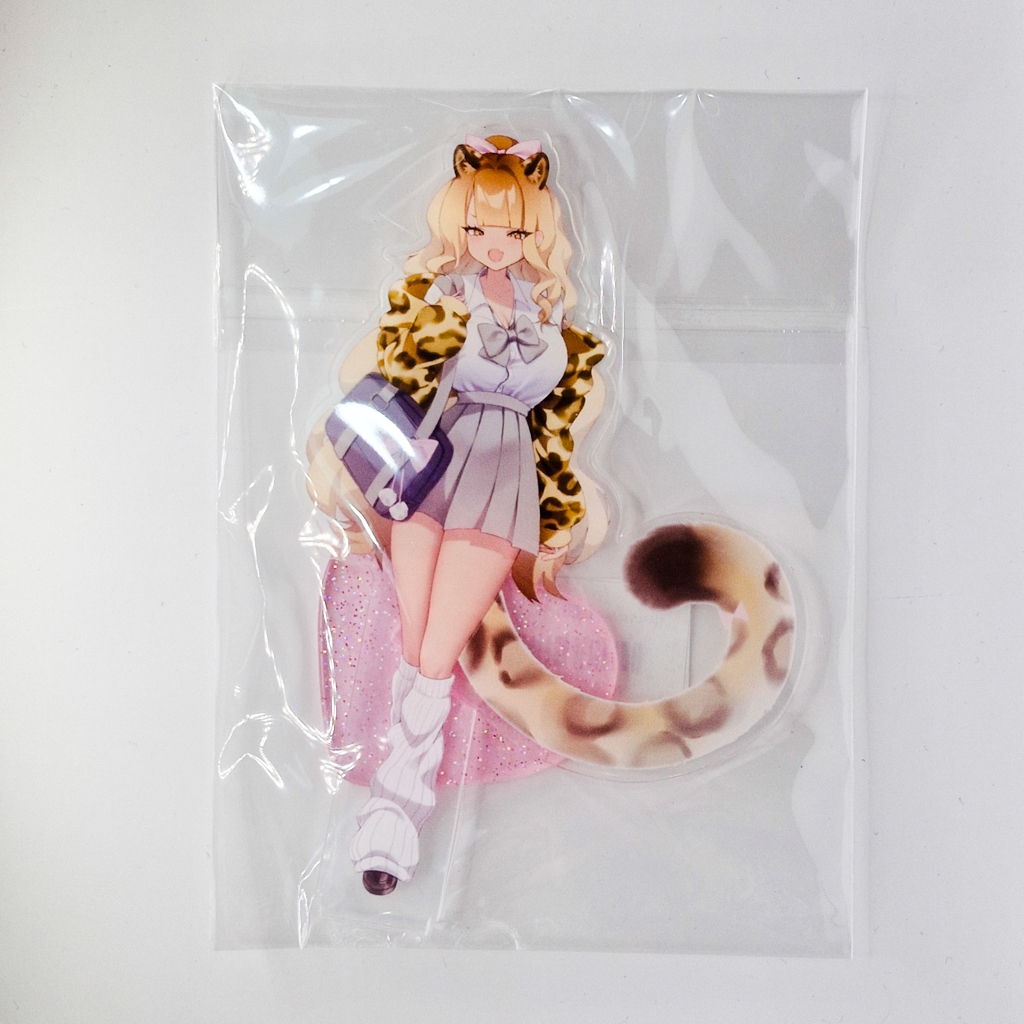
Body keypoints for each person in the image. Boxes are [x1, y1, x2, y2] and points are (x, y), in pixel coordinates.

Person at [343, 133, 606, 895]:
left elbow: (557, 427)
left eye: (513, 230)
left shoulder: (552, 312)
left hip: (505, 473)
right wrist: (439, 323)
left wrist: (563, 507)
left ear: (535, 234)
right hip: (435, 459)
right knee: (418, 640)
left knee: (435, 651)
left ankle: (392, 816)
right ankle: (392, 813)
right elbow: (403, 368)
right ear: (458, 226)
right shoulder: (440, 294)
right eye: (480, 228)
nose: (495, 242)